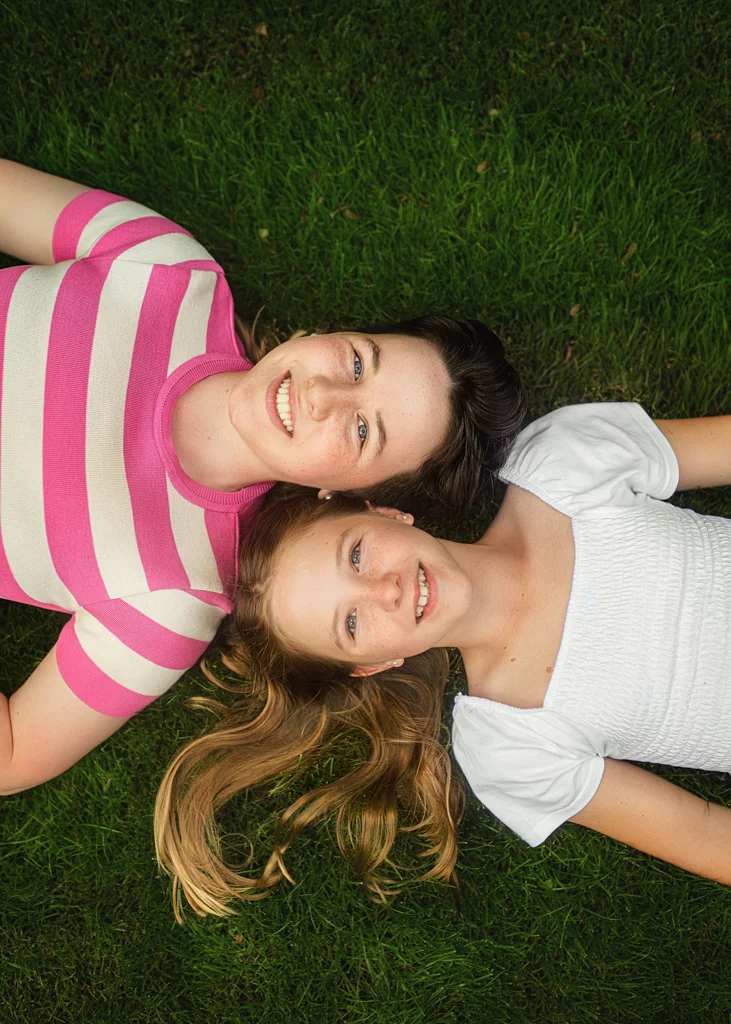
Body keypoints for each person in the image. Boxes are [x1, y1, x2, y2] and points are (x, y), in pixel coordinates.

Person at [0, 159, 525, 795]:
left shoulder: (171, 599)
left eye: (363, 432)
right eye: (359, 362)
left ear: (352, 498)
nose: (324, 393)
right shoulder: (168, 268)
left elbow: (14, 750)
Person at [156, 401, 731, 918]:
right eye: (352, 624)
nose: (385, 591)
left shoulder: (559, 463)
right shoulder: (506, 748)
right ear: (374, 666)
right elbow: (702, 834)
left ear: (386, 512)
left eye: (356, 554)